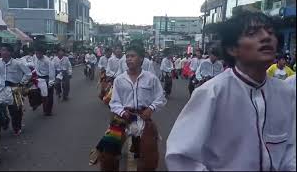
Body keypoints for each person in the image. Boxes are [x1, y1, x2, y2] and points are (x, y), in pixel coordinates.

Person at [166, 11, 296, 171]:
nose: (266, 37)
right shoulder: (211, 93)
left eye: (270, 32)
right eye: (252, 33)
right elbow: (180, 156)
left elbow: (291, 149)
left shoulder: (286, 93)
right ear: (232, 48)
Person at [97, 41, 166, 171]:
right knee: (107, 154)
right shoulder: (119, 80)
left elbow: (160, 98)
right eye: (127, 56)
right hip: (122, 118)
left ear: (141, 58)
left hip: (143, 119)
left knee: (150, 156)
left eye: (133, 56)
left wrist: (151, 109)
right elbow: (114, 102)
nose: (129, 59)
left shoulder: (151, 78)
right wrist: (122, 112)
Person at [0, 43, 32, 136]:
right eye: (2, 50)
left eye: (5, 50)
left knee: (16, 110)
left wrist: (21, 83)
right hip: (2, 89)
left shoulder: (18, 63)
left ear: (10, 52)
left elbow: (28, 73)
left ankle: (17, 127)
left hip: (15, 89)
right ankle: (4, 122)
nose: (3, 52)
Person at [33, 44, 55, 116]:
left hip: (47, 78)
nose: (37, 55)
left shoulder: (48, 61)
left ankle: (48, 110)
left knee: (49, 95)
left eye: (39, 53)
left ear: (43, 53)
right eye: (36, 53)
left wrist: (50, 83)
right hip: (38, 78)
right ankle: (36, 103)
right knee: (32, 91)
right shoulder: (34, 57)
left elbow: (52, 73)